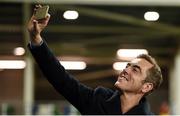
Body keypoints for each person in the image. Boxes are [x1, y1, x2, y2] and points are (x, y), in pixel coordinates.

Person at [27, 5, 163, 115]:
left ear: (146, 87)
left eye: (135, 69)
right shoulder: (98, 99)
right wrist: (36, 38)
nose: (126, 70)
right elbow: (61, 79)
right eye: (128, 66)